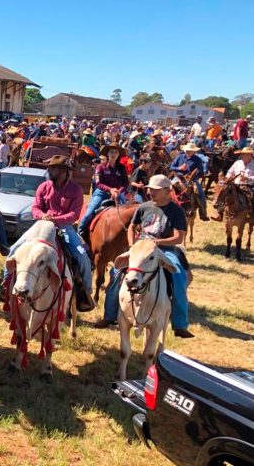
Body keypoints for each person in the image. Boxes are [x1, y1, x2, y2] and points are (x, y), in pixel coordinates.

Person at [96, 175, 195, 338]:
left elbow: (178, 238)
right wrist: (132, 245)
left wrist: (158, 242)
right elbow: (131, 227)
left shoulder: (176, 211)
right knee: (116, 272)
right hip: (141, 248)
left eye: (155, 190)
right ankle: (109, 316)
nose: (151, 192)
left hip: (165, 249)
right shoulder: (143, 207)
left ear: (167, 191)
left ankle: (180, 324)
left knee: (178, 275)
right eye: (150, 189)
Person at [0, 155, 94, 311]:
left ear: (63, 171)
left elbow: (74, 214)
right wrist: (43, 215)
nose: (49, 171)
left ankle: (85, 293)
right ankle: (6, 285)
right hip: (41, 225)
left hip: (64, 227)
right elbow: (36, 207)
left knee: (82, 256)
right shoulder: (44, 186)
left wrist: (55, 219)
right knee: (14, 248)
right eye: (50, 168)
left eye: (54, 168)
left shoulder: (75, 190)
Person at [79, 143, 129, 238]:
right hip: (101, 193)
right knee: (89, 212)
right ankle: (80, 232)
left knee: (126, 213)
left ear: (118, 154)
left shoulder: (121, 167)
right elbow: (99, 183)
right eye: (111, 152)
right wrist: (110, 190)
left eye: (115, 152)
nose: (113, 154)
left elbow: (126, 183)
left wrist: (119, 191)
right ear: (107, 154)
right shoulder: (100, 167)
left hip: (117, 194)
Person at [170, 142, 209, 221]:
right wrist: (179, 168)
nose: (188, 152)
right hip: (178, 178)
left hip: (192, 179)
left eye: (190, 151)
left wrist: (193, 178)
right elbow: (172, 167)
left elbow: (200, 171)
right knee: (166, 189)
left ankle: (203, 213)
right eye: (187, 150)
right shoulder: (179, 157)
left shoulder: (197, 159)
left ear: (194, 151)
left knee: (200, 194)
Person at [213, 146, 254, 219]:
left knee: (252, 197)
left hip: (248, 186)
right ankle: (219, 212)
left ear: (250, 155)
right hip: (235, 184)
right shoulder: (237, 163)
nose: (243, 156)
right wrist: (227, 178)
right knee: (224, 192)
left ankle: (251, 214)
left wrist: (247, 178)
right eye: (243, 154)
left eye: (245, 154)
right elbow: (230, 172)